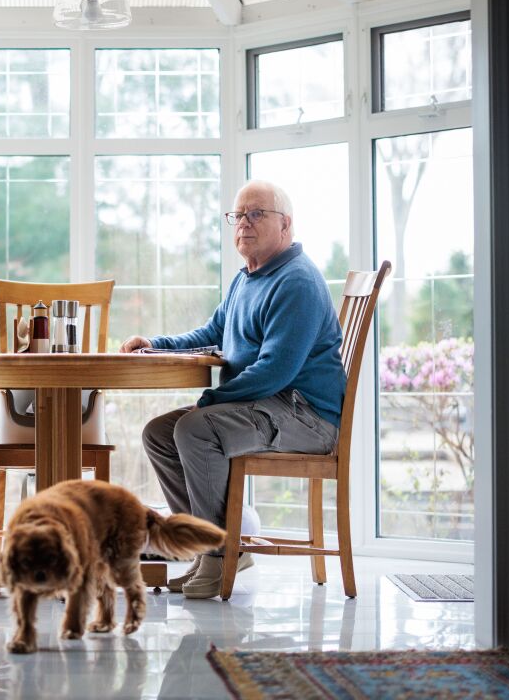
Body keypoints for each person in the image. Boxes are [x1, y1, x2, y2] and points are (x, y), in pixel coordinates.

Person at [120, 180, 345, 600]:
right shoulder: (247, 278)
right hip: (269, 405)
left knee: (194, 428)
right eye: (238, 215)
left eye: (256, 214)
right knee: (159, 432)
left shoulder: (296, 282)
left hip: (306, 416)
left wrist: (210, 401)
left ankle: (223, 553)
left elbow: (274, 371)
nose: (244, 223)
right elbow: (213, 332)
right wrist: (156, 343)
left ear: (286, 225)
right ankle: (211, 547)